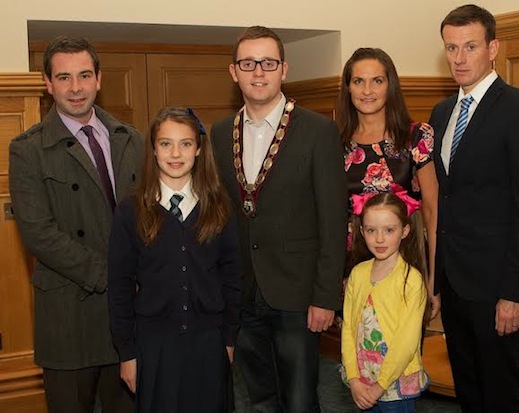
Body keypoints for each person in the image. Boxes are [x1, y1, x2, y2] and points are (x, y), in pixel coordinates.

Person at [210, 26, 348, 412]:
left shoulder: (318, 130)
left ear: (283, 69)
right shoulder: (220, 134)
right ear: (233, 71)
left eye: (268, 63)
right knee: (260, 400)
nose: (258, 72)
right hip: (243, 292)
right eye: (248, 63)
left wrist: (325, 298)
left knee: (301, 400)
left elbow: (333, 221)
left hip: (298, 295)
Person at [8, 36, 143, 412]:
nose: (76, 87)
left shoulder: (132, 139)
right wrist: (111, 276)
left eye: (84, 75)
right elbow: (38, 233)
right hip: (70, 313)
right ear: (48, 84)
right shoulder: (27, 149)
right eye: (64, 77)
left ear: (99, 79)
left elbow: (149, 217)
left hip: (128, 313)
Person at [429, 5, 519, 412]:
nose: (459, 58)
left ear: (492, 48)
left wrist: (515, 293)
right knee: (468, 391)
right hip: (455, 282)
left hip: (498, 287)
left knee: (498, 395)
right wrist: (437, 282)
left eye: (470, 47)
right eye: (451, 48)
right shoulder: (443, 112)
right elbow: (446, 200)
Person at [107, 107, 240, 413]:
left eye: (185, 143)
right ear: (153, 149)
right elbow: (119, 289)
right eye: (166, 143)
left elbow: (232, 278)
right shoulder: (131, 210)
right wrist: (127, 353)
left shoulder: (219, 206)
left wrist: (229, 339)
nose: (176, 153)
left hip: (208, 341)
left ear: (198, 149)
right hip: (154, 345)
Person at [338, 48, 439, 320]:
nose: (367, 90)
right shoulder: (335, 143)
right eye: (358, 81)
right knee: (359, 354)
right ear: (348, 87)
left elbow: (432, 211)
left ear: (390, 86)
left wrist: (434, 279)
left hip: (408, 268)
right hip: (353, 270)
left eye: (377, 81)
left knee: (402, 353)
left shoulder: (416, 136)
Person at [341, 192, 429, 412]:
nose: (379, 239)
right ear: (362, 231)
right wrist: (353, 378)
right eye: (371, 230)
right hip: (362, 382)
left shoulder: (411, 280)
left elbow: (406, 342)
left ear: (404, 231)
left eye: (389, 230)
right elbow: (348, 329)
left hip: (395, 386)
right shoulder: (358, 274)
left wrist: (379, 386)